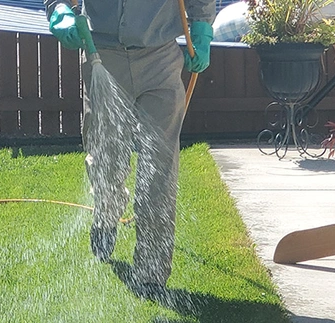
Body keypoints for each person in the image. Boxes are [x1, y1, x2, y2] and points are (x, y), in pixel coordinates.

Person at [43, 0, 215, 297]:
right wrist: (59, 10)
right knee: (105, 161)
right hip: (102, 55)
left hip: (160, 56)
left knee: (158, 168)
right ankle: (107, 216)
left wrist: (201, 29)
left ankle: (152, 271)